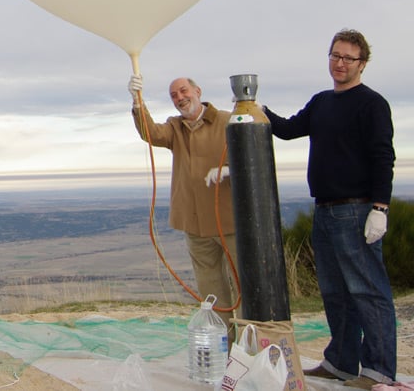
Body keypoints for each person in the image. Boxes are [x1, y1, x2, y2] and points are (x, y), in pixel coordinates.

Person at [263, 29, 396, 390]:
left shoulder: (372, 104)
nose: (339, 63)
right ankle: (340, 362)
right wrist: (259, 111)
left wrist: (380, 208)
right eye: (334, 56)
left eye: (348, 58)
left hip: (357, 210)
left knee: (368, 291)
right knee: (336, 293)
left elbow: (383, 157)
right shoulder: (321, 102)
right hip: (324, 211)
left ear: (362, 64)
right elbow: (289, 129)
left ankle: (379, 370)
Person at [128, 74, 240, 342]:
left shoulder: (227, 120)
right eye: (174, 95)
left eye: (183, 91)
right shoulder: (174, 127)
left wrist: (229, 170)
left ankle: (248, 346)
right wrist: (137, 102)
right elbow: (151, 133)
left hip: (229, 221)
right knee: (210, 289)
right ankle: (223, 343)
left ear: (198, 91)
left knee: (242, 287)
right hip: (194, 223)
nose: (180, 98)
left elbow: (253, 150)